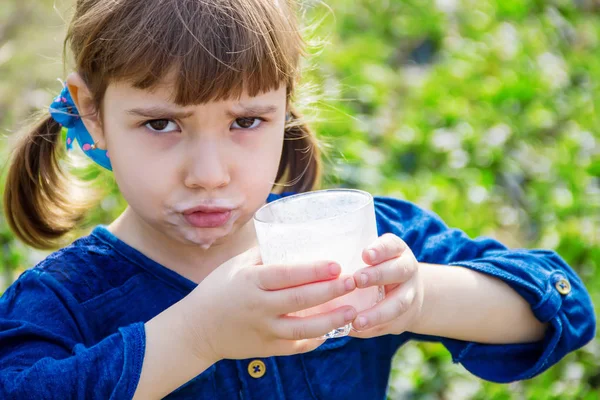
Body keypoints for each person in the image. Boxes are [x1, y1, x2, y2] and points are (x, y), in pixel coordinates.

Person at [0, 0, 595, 399]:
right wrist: (195, 336)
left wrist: (417, 298)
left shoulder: (354, 241)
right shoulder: (63, 301)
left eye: (246, 121)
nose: (209, 175)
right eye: (161, 124)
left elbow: (561, 310)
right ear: (91, 112)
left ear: (286, 102)